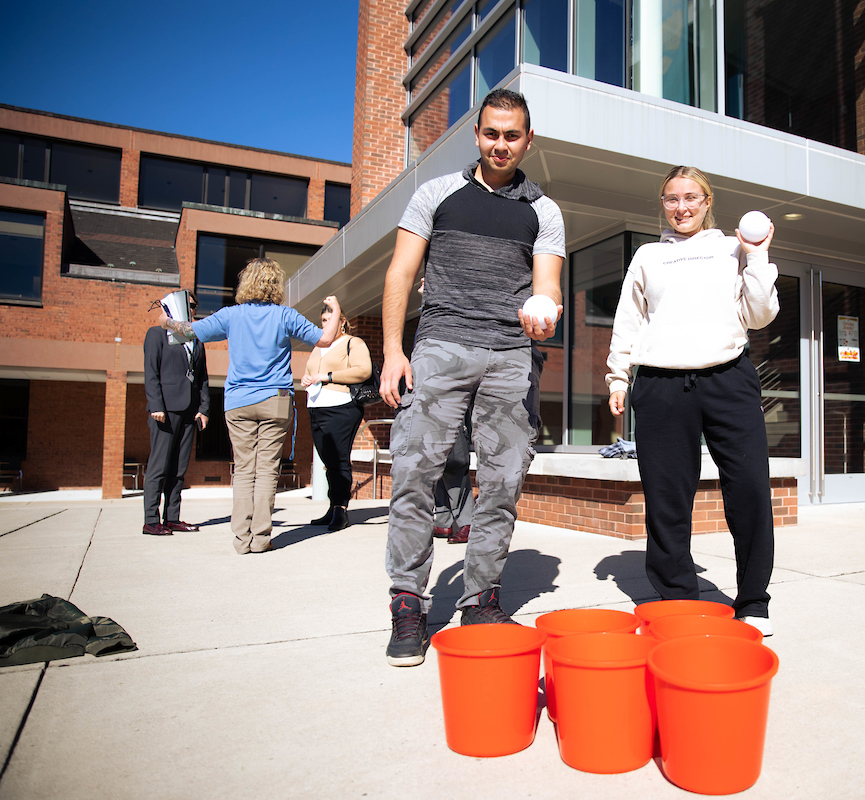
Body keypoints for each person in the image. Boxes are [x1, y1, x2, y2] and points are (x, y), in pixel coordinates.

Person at [379, 88, 564, 666]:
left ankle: (481, 596)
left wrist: (545, 311)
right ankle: (408, 602)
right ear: (477, 135)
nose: (501, 144)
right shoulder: (437, 195)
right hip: (439, 347)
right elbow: (400, 274)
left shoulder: (544, 211)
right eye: (492, 133)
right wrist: (392, 350)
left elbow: (549, 284)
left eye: (512, 135)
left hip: (510, 355)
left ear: (527, 140)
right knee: (414, 473)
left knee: (504, 481)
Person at [606, 165, 780, 636]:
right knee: (666, 498)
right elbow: (629, 321)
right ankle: (678, 601)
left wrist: (759, 257)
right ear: (662, 204)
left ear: (707, 202)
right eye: (671, 199)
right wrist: (618, 378)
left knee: (748, 489)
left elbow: (760, 316)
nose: (681, 207)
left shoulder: (733, 248)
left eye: (690, 198)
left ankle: (753, 600)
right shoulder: (647, 256)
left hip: (729, 380)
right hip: (661, 385)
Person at [158, 258, 344, 554]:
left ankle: (241, 540)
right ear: (275, 285)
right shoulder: (285, 316)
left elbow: (188, 332)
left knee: (244, 470)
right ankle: (260, 538)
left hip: (239, 402)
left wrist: (168, 321)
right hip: (275, 401)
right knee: (267, 470)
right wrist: (333, 311)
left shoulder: (231, 315)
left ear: (246, 283)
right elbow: (326, 338)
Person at [142, 293, 209, 536]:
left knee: (179, 469)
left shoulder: (195, 338)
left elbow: (202, 377)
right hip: (165, 411)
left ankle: (172, 518)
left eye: (195, 307)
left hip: (190, 411)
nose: (193, 310)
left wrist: (203, 408)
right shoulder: (156, 334)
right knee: (159, 467)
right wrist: (156, 405)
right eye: (190, 306)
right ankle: (151, 520)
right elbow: (151, 373)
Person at [301, 304, 372, 532]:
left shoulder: (353, 343)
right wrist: (306, 378)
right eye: (322, 320)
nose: (325, 324)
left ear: (341, 321)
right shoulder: (318, 346)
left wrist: (329, 376)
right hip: (316, 407)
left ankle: (341, 510)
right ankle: (333, 507)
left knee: (339, 459)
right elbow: (312, 372)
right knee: (328, 462)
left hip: (341, 407)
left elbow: (364, 370)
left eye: (329, 319)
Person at [432, 411, 474, 544]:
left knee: (455, 464)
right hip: (429, 413)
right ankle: (443, 522)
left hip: (451, 410)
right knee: (434, 466)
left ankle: (467, 523)